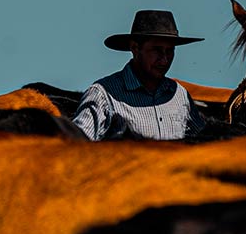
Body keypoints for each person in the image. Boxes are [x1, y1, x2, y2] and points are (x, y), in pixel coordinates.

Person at [72, 10, 206, 141]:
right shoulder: (102, 95)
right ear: (135, 48)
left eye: (170, 51)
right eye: (157, 50)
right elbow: (75, 148)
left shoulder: (180, 96)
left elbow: (204, 146)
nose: (164, 60)